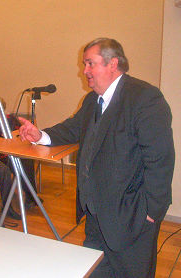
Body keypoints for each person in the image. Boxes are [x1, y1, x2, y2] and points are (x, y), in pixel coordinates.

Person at [19, 38, 174, 278]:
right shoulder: (92, 100)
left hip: (131, 217)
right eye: (84, 64)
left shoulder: (145, 98)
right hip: (95, 216)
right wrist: (40, 135)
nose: (85, 71)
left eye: (90, 63)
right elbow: (72, 128)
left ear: (113, 63)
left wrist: (151, 212)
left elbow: (160, 160)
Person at [0, 97, 42, 209]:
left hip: (14, 150)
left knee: (27, 161)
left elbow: (20, 133)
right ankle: (29, 197)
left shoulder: (10, 119)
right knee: (19, 164)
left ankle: (30, 196)